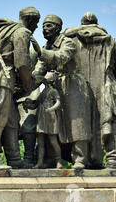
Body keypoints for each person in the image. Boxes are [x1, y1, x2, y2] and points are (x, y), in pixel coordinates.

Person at [0, 7, 40, 170]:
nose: (37, 27)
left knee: (11, 121)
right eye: (37, 23)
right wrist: (28, 83)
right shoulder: (21, 32)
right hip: (2, 78)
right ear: (32, 20)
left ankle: (14, 159)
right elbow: (22, 63)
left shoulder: (6, 29)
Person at [63, 12, 116, 169]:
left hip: (79, 88)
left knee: (80, 121)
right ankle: (113, 158)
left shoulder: (71, 39)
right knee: (111, 120)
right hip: (106, 85)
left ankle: (80, 159)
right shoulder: (110, 41)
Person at [33, 15, 92, 169]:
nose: (44, 29)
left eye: (49, 26)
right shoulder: (45, 47)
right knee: (53, 126)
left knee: (76, 123)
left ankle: (80, 159)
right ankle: (52, 158)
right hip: (55, 88)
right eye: (43, 26)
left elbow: (62, 57)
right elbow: (38, 72)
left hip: (74, 86)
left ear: (58, 28)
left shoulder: (67, 42)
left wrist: (41, 53)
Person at [24, 71, 63, 169]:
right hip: (41, 118)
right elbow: (36, 104)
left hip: (50, 118)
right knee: (40, 142)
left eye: (46, 80)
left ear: (50, 81)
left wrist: (51, 108)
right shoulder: (42, 91)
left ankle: (58, 161)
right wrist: (28, 105)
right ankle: (39, 162)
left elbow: (58, 102)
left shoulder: (54, 91)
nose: (44, 82)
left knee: (53, 140)